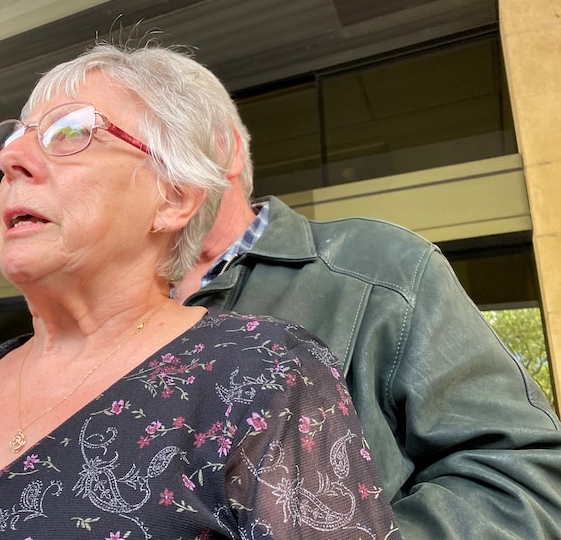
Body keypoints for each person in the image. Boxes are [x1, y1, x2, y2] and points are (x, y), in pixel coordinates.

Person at [0, 45, 401, 539]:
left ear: (173, 200)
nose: (14, 159)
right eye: (16, 141)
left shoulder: (266, 372)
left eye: (70, 132)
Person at [149, 53, 561, 537]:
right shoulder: (103, 314)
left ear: (224, 149)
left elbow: (524, 479)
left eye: (150, 146)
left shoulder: (382, 265)